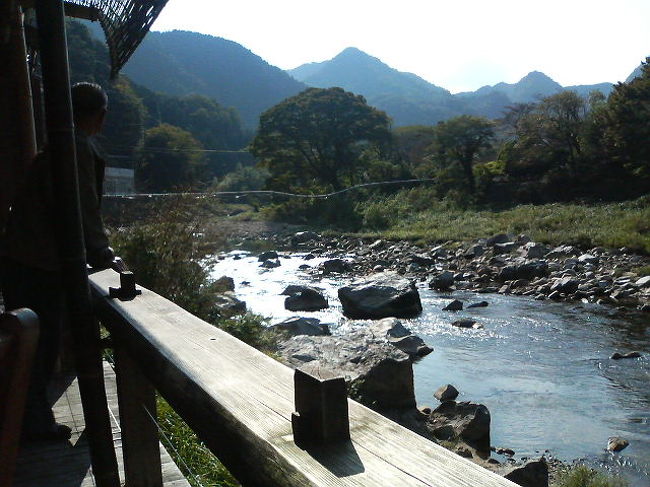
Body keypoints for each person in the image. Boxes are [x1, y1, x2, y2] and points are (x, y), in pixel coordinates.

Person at [0, 82, 125, 441]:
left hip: (22, 258)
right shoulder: (75, 147)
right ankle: (34, 425)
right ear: (99, 116)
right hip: (37, 264)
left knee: (34, 344)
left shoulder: (59, 143)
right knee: (40, 346)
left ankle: (28, 420)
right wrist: (104, 255)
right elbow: (81, 208)